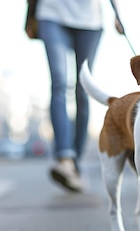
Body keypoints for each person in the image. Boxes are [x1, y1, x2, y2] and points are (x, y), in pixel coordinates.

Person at [26, 0, 124, 193]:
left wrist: (117, 13)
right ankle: (65, 158)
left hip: (89, 20)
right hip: (51, 13)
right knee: (59, 83)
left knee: (83, 88)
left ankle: (75, 162)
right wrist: (29, 16)